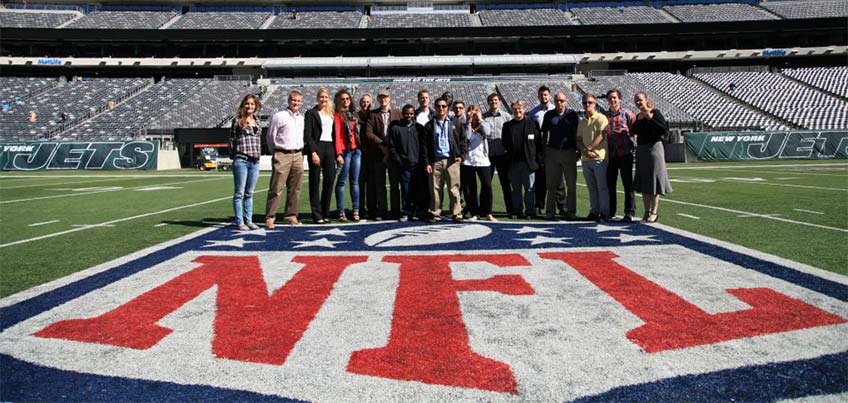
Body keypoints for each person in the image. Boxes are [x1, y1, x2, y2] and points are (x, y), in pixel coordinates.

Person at [265, 90, 305, 228]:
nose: (296, 103)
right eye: (294, 100)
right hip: (282, 154)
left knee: (295, 188)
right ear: (289, 101)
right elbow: (270, 137)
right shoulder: (279, 116)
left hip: (298, 154)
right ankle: (270, 217)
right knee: (276, 187)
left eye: (299, 101)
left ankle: (291, 215)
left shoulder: (302, 118)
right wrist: (276, 152)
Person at [424, 97, 467, 223]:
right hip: (435, 160)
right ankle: (435, 212)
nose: (441, 108)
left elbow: (463, 141)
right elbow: (424, 146)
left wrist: (462, 156)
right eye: (438, 106)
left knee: (454, 188)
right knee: (435, 189)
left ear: (447, 108)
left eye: (443, 106)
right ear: (435, 108)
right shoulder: (430, 125)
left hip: (451, 160)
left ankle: (456, 213)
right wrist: (427, 162)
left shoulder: (456, 123)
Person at [632, 92, 673, 223]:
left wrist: (649, 116)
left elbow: (663, 129)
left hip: (655, 148)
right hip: (642, 150)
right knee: (644, 181)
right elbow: (633, 131)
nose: (639, 103)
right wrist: (639, 119)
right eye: (636, 101)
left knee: (655, 181)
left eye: (640, 100)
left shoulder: (655, 112)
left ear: (646, 100)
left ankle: (654, 212)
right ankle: (646, 211)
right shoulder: (638, 116)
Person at [540, 91, 579, 220]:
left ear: (566, 101)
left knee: (571, 184)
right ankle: (550, 211)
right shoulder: (549, 115)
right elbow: (544, 133)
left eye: (561, 101)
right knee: (551, 185)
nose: (559, 103)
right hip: (552, 152)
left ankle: (571, 211)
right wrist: (544, 151)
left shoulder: (572, 115)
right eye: (557, 100)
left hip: (569, 152)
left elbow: (577, 134)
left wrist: (578, 150)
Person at [364, 89, 402, 220]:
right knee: (379, 185)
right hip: (378, 154)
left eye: (385, 97)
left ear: (389, 98)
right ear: (378, 99)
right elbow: (369, 134)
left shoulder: (398, 113)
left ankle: (396, 211)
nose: (383, 99)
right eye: (381, 97)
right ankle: (382, 211)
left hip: (393, 154)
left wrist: (391, 148)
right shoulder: (373, 114)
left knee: (394, 184)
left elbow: (401, 132)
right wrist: (382, 146)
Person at [386, 104, 428, 221]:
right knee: (405, 189)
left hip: (417, 165)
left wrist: (422, 161)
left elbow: (423, 146)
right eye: (406, 113)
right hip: (404, 165)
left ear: (414, 114)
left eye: (411, 113)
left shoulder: (419, 128)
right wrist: (399, 160)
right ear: (402, 114)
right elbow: (392, 147)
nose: (408, 116)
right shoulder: (396, 128)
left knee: (418, 189)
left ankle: (418, 211)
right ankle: (406, 211)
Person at [528, 85, 565, 217]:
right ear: (538, 96)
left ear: (549, 96)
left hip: (556, 148)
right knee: (541, 179)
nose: (543, 97)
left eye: (546, 95)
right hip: (542, 150)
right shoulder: (533, 113)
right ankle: (539, 205)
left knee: (559, 179)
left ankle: (561, 206)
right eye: (541, 95)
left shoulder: (558, 110)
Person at [229, 94, 263, 231]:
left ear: (256, 106)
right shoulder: (237, 121)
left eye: (252, 104)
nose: (250, 106)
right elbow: (232, 140)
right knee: (239, 193)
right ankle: (240, 221)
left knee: (250, 193)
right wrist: (235, 156)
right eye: (247, 104)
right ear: (243, 105)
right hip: (242, 160)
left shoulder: (258, 121)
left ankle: (249, 220)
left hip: (254, 161)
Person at [304, 88, 337, 224]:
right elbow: (308, 134)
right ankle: (317, 215)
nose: (324, 99)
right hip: (317, 147)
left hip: (330, 147)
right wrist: (313, 152)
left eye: (326, 97)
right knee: (315, 182)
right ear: (317, 98)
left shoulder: (332, 113)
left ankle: (325, 212)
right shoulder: (311, 113)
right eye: (321, 97)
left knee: (329, 180)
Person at [503, 100, 541, 219]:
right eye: (515, 109)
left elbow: (538, 142)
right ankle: (517, 210)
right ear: (512, 111)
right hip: (514, 163)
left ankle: (530, 211)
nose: (517, 111)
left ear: (524, 110)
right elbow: (505, 143)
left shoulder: (532, 124)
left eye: (520, 109)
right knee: (516, 189)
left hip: (528, 163)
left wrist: (536, 160)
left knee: (529, 189)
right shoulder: (508, 125)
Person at [604, 89, 637, 222]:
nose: (613, 100)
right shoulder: (604, 116)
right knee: (610, 184)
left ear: (620, 99)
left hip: (625, 154)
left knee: (628, 184)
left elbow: (635, 132)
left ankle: (629, 211)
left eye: (615, 98)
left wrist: (634, 147)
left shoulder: (628, 114)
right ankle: (611, 211)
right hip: (611, 154)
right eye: (610, 98)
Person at [577, 93, 610, 221]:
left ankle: (604, 212)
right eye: (585, 103)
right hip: (586, 159)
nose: (587, 105)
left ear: (595, 104)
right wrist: (584, 151)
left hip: (599, 157)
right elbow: (578, 139)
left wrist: (589, 148)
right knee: (591, 188)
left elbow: (602, 135)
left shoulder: (601, 118)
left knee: (602, 187)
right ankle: (594, 211)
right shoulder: (582, 121)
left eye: (589, 102)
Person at [461, 105, 496, 222]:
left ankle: (488, 212)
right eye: (471, 112)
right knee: (472, 188)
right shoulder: (465, 125)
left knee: (487, 186)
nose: (473, 114)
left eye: (475, 112)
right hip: (469, 160)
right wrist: (469, 122)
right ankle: (475, 212)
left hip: (483, 160)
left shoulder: (484, 123)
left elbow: (487, 132)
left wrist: (480, 119)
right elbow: (467, 136)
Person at [483, 93, 513, 216]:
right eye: (491, 100)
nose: (493, 102)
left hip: (503, 155)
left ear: (499, 101)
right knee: (486, 185)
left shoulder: (507, 117)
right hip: (488, 156)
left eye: (495, 100)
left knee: (506, 184)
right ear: (488, 102)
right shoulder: (484, 117)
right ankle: (484, 210)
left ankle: (511, 210)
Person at [333, 88, 361, 222]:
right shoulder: (337, 116)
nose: (345, 101)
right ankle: (341, 211)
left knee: (355, 182)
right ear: (338, 101)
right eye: (342, 99)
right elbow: (338, 136)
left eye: (347, 99)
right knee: (342, 182)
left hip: (356, 151)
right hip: (345, 152)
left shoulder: (354, 115)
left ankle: (356, 210)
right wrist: (338, 154)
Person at [357, 93, 372, 219]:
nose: (365, 104)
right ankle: (360, 208)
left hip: (372, 153)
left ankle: (372, 208)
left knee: (372, 183)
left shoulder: (373, 116)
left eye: (367, 102)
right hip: (358, 152)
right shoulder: (356, 116)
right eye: (363, 102)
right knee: (359, 183)